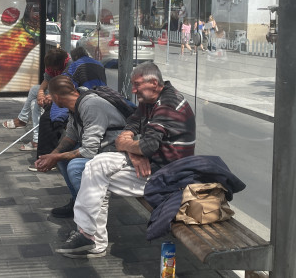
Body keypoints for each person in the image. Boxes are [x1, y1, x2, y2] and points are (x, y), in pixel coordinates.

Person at [55, 62, 195, 258]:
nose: (133, 90)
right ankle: (89, 235)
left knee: (95, 175)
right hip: (152, 165)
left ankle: (91, 238)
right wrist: (130, 142)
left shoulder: (167, 105)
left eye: (137, 85)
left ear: (154, 83)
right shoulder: (152, 98)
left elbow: (148, 146)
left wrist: (126, 144)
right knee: (96, 167)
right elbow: (133, 121)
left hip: (167, 175)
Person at [34, 75, 127, 219]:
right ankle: (77, 203)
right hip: (103, 148)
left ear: (57, 97)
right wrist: (52, 155)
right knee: (64, 159)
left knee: (75, 167)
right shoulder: (76, 103)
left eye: (50, 96)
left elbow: (89, 151)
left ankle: (90, 217)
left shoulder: (90, 106)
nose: (49, 99)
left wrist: (56, 157)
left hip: (118, 151)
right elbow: (71, 136)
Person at [2, 48, 70, 151]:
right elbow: (47, 80)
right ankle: (24, 122)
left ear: (60, 64)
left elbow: (68, 86)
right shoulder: (52, 64)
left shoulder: (70, 65)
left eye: (54, 68)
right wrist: (41, 92)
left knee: (35, 103)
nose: (52, 70)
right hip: (55, 91)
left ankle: (35, 139)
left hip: (66, 94)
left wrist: (52, 95)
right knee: (35, 96)